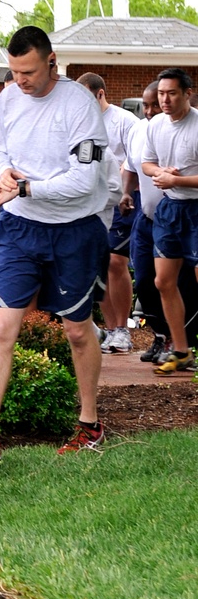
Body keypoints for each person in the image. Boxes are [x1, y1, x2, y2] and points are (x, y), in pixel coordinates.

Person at [0, 26, 110, 472]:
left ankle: (89, 426)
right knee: (1, 328)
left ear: (51, 61)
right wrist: (5, 173)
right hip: (18, 229)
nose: (20, 81)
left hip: (73, 229)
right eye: (13, 71)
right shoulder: (8, 99)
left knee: (77, 330)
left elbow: (83, 180)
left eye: (27, 71)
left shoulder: (79, 105)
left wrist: (23, 188)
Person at [76, 73, 139, 352]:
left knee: (115, 263)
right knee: (97, 265)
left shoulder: (125, 121)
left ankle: (122, 328)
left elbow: (134, 162)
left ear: (100, 94)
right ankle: (110, 328)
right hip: (88, 205)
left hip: (121, 199)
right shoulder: (79, 123)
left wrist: (124, 192)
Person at [142, 67, 198, 374]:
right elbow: (146, 163)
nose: (165, 100)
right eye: (162, 93)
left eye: (172, 93)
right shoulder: (155, 126)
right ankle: (181, 351)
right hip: (169, 211)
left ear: (187, 93)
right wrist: (160, 174)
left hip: (196, 209)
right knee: (163, 281)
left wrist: (178, 180)